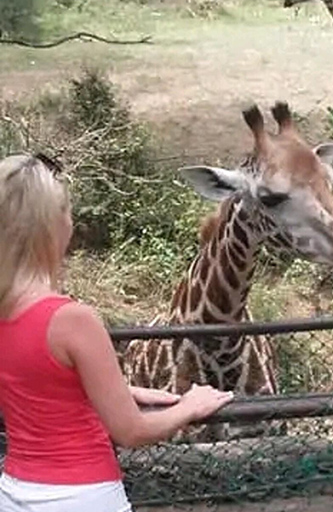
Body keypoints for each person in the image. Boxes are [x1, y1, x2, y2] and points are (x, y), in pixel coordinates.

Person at [0, 152, 234, 512]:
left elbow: (31, 383)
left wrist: (115, 390)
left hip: (14, 492)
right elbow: (132, 431)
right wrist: (190, 405)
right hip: (81, 497)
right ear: (50, 226)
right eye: (66, 212)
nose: (71, 222)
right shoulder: (71, 319)